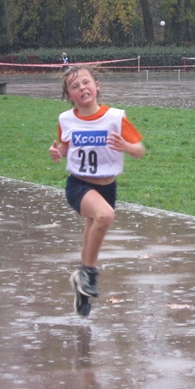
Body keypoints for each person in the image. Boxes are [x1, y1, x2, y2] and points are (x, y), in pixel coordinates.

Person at [49, 65, 145, 317]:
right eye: (74, 86)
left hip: (107, 186)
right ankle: (88, 275)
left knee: (91, 233)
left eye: (85, 82)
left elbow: (140, 150)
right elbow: (66, 147)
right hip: (79, 185)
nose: (82, 88)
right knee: (104, 216)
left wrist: (126, 146)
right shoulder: (66, 119)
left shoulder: (114, 117)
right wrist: (57, 152)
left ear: (97, 85)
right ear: (69, 95)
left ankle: (81, 288)